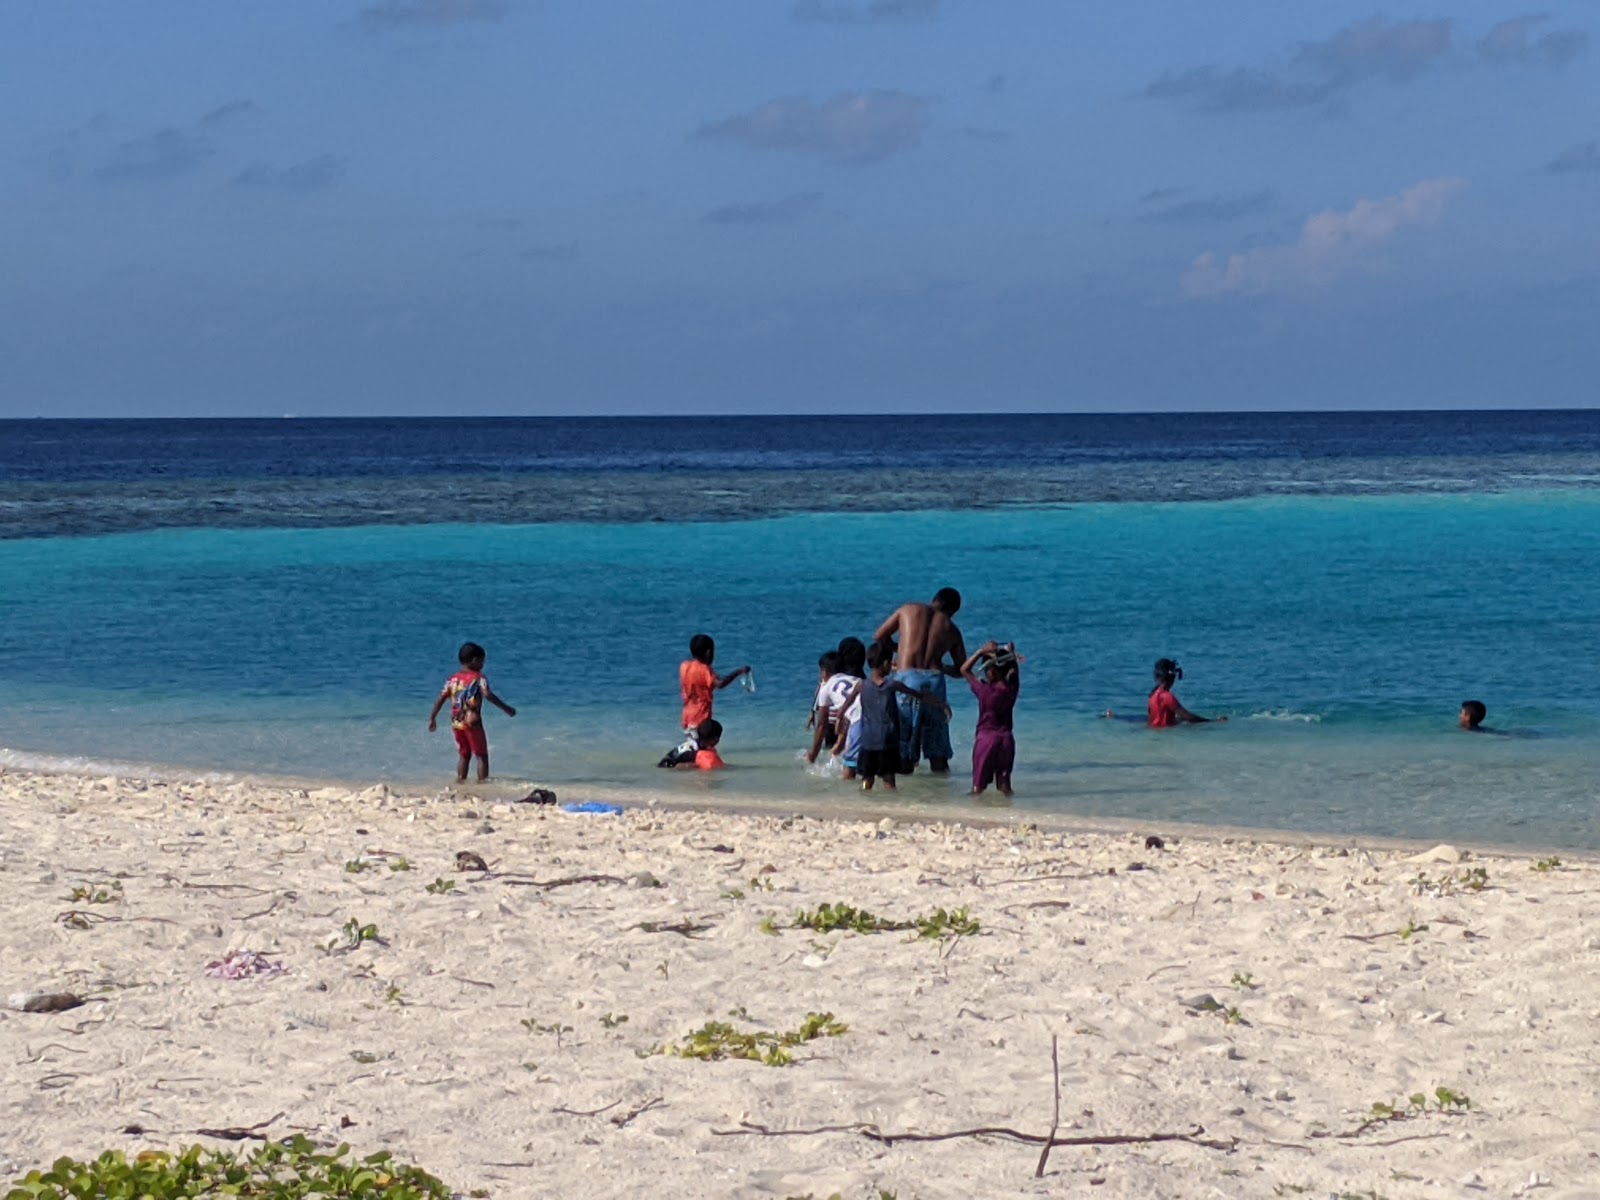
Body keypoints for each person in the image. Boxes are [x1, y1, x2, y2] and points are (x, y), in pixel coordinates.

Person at [874, 588, 968, 774]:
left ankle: (906, 797)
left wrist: (900, 650)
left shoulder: (908, 610)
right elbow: (961, 670)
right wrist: (942, 667)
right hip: (934, 680)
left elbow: (879, 637)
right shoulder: (951, 629)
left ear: (934, 600)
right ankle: (941, 795)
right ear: (953, 611)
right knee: (938, 751)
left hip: (906, 679)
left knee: (904, 745)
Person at [837, 641, 951, 791]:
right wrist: (941, 704)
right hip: (887, 742)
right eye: (890, 663)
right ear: (885, 664)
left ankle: (864, 805)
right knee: (888, 778)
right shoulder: (892, 685)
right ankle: (891, 805)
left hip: (868, 741)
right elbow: (919, 696)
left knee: (867, 778)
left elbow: (844, 707)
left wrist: (840, 721)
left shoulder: (862, 685)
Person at [427, 641, 516, 783]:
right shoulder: (479, 678)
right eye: (482, 661)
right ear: (475, 660)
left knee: (464, 754)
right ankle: (482, 783)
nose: (483, 665)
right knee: (481, 755)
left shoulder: (452, 679)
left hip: (457, 722)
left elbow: (441, 698)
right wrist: (507, 709)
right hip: (472, 721)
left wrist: (432, 718)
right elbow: (487, 694)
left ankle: (461, 781)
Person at [960, 640, 1020, 796]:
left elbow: (964, 670)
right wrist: (1010, 655)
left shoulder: (984, 690)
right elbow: (1014, 670)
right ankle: (1010, 814)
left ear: (991, 671)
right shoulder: (1011, 689)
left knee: (977, 788)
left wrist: (980, 651)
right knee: (1005, 786)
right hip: (1007, 739)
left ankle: (977, 815)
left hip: (986, 740)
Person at [677, 633, 749, 740]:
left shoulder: (684, 666)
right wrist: (739, 672)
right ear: (708, 653)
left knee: (694, 749)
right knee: (707, 746)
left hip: (687, 719)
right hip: (701, 721)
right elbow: (720, 684)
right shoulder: (705, 670)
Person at [828, 637, 868, 778]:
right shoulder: (863, 681)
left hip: (838, 728)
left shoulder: (834, 679)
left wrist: (839, 742)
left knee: (846, 764)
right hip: (861, 727)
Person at [1144, 658, 1224, 727]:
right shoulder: (1167, 697)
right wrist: (1213, 721)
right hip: (1166, 737)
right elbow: (1189, 717)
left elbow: (1157, 720)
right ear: (1173, 677)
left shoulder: (1152, 696)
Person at [805, 651, 845, 762]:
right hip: (839, 724)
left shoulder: (825, 686)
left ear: (825, 672)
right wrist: (812, 713)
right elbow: (817, 701)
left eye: (821, 671)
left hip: (831, 723)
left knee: (834, 749)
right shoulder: (836, 684)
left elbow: (818, 700)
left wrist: (813, 713)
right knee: (837, 749)